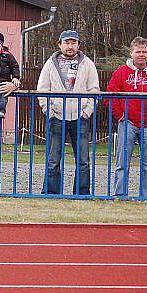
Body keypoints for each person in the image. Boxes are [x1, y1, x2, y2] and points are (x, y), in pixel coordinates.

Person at [107, 36, 147, 197]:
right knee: (122, 163)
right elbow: (110, 96)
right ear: (131, 53)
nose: (141, 54)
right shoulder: (121, 72)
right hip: (127, 122)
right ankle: (120, 195)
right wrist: (120, 115)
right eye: (138, 51)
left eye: (144, 51)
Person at [37, 30, 99, 195]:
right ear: (60, 44)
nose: (70, 46)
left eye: (73, 43)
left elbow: (94, 89)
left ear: (78, 45)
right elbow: (42, 89)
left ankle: (82, 193)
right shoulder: (50, 63)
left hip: (80, 117)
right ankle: (51, 193)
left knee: (83, 160)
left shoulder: (88, 64)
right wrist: (48, 111)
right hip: (56, 116)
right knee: (53, 159)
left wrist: (87, 112)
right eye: (67, 43)